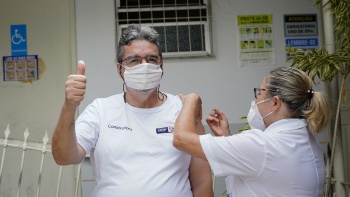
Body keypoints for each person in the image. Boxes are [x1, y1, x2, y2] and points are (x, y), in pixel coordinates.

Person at [52, 24, 213, 197]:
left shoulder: (182, 109)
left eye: (151, 59)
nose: (144, 66)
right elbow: (64, 157)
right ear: (119, 68)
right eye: (134, 60)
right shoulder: (101, 110)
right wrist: (69, 106)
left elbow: (202, 181)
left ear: (161, 64)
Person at [173, 67, 330, 197]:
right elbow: (261, 168)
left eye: (259, 93)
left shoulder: (263, 145)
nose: (256, 101)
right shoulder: (306, 139)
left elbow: (181, 139)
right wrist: (226, 138)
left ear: (275, 102)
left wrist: (189, 101)